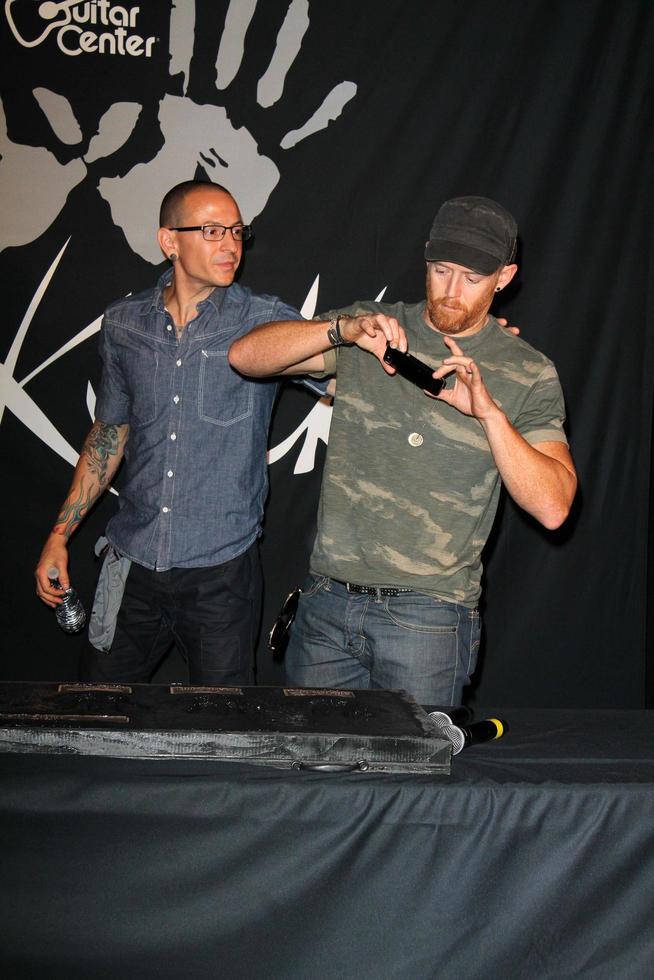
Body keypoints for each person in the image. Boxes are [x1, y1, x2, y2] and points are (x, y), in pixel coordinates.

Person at [228, 196, 577, 706]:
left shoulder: (528, 372)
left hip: (428, 617)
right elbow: (244, 357)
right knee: (313, 781)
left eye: (472, 278)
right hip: (327, 603)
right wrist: (341, 330)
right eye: (441, 270)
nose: (452, 292)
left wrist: (488, 415)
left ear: (504, 278)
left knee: (414, 783)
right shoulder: (370, 327)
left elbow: (553, 507)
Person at [34, 179, 320, 685]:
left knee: (221, 735)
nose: (231, 245)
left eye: (237, 231)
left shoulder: (264, 322)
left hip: (220, 577)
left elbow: (343, 376)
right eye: (212, 231)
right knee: (96, 718)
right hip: (132, 564)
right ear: (170, 241)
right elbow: (109, 435)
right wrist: (60, 535)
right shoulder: (124, 325)